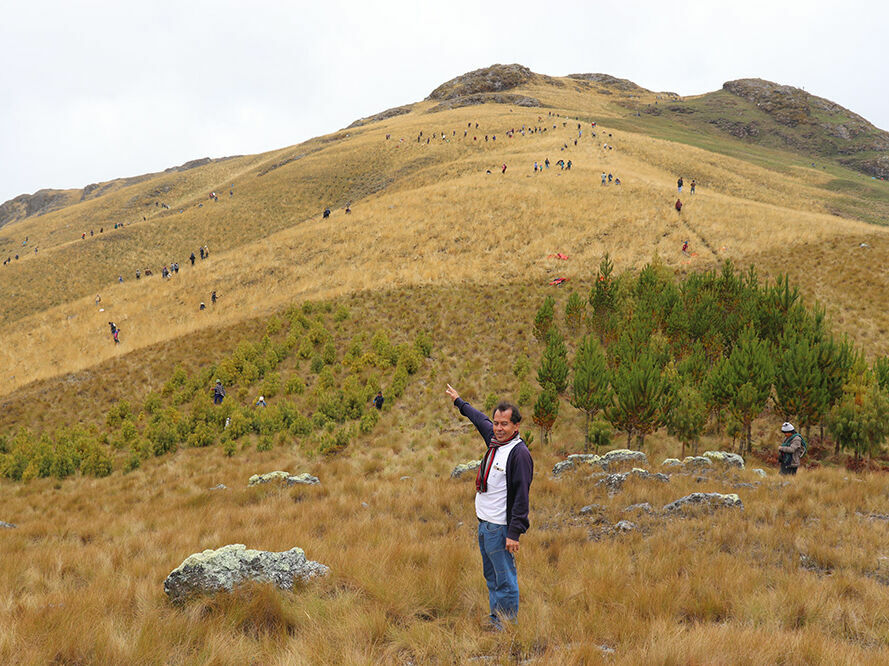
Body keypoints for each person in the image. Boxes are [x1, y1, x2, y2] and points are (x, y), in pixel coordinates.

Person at [445, 384, 533, 630]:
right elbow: (478, 419)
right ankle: (497, 619)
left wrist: (514, 533)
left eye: (504, 424)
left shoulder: (519, 454)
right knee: (492, 577)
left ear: (516, 426)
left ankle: (507, 625)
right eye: (496, 423)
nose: (498, 428)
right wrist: (459, 401)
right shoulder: (495, 441)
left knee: (505, 579)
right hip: (484, 525)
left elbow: (521, 498)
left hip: (500, 528)